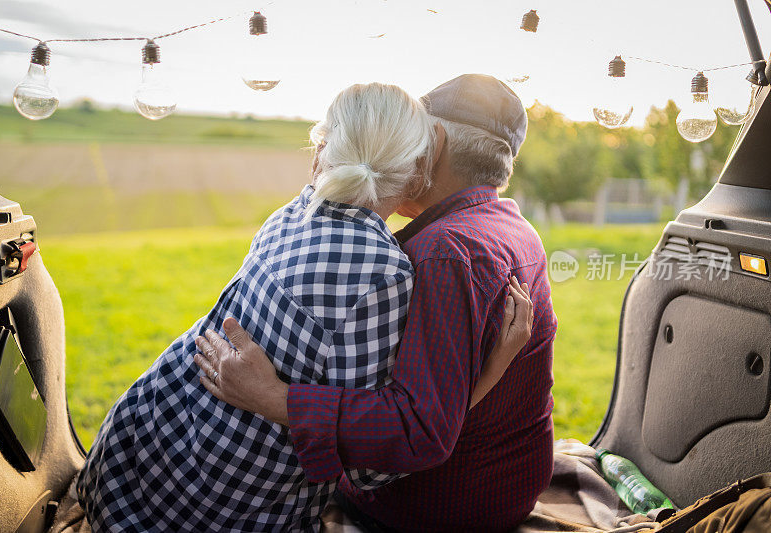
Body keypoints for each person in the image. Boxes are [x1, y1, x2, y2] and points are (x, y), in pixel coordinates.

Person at [77, 82, 532, 532]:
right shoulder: (387, 274)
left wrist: (280, 399)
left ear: (320, 155)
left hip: (133, 449)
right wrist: (489, 372)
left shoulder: (292, 212)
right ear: (418, 171)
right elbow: (370, 469)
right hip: (214, 507)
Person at [194, 74, 557, 531]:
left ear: (434, 141)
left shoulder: (444, 253)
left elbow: (419, 427)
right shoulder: (512, 225)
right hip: (509, 485)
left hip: (439, 504)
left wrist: (276, 398)